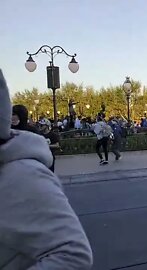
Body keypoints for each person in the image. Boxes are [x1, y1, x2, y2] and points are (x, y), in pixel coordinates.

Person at [0, 69, 93, 269]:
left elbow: (73, 255)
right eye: (13, 117)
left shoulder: (23, 175)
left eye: (17, 117)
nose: (15, 120)